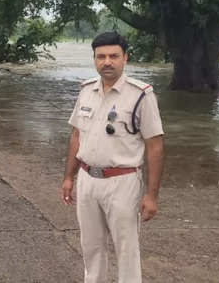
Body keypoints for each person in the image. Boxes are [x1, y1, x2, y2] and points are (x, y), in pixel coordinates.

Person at [61, 31, 164, 282]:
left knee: (126, 249)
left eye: (114, 56)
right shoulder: (86, 90)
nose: (107, 61)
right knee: (91, 246)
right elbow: (77, 135)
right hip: (87, 179)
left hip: (123, 182)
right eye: (101, 56)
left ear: (125, 58)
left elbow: (155, 146)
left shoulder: (141, 95)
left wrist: (151, 195)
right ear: (94, 59)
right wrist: (68, 177)